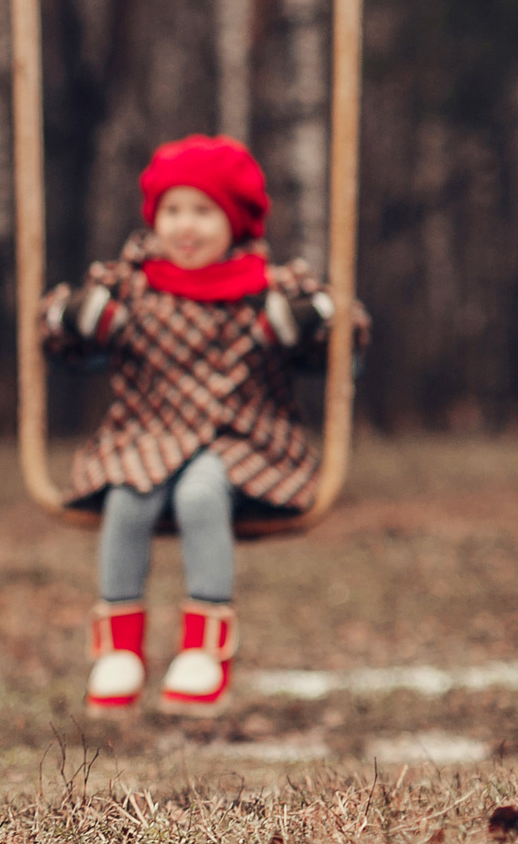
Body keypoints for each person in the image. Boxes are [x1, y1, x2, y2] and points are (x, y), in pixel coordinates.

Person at [41, 134, 368, 717]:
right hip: (147, 433)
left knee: (200, 491)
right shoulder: (132, 284)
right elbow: (60, 331)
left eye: (202, 211)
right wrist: (75, 318)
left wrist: (313, 321)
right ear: (153, 217)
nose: (184, 227)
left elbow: (347, 334)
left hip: (242, 438)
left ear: (235, 221)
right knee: (129, 494)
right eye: (172, 210)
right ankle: (118, 651)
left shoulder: (267, 287)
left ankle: (203, 651)